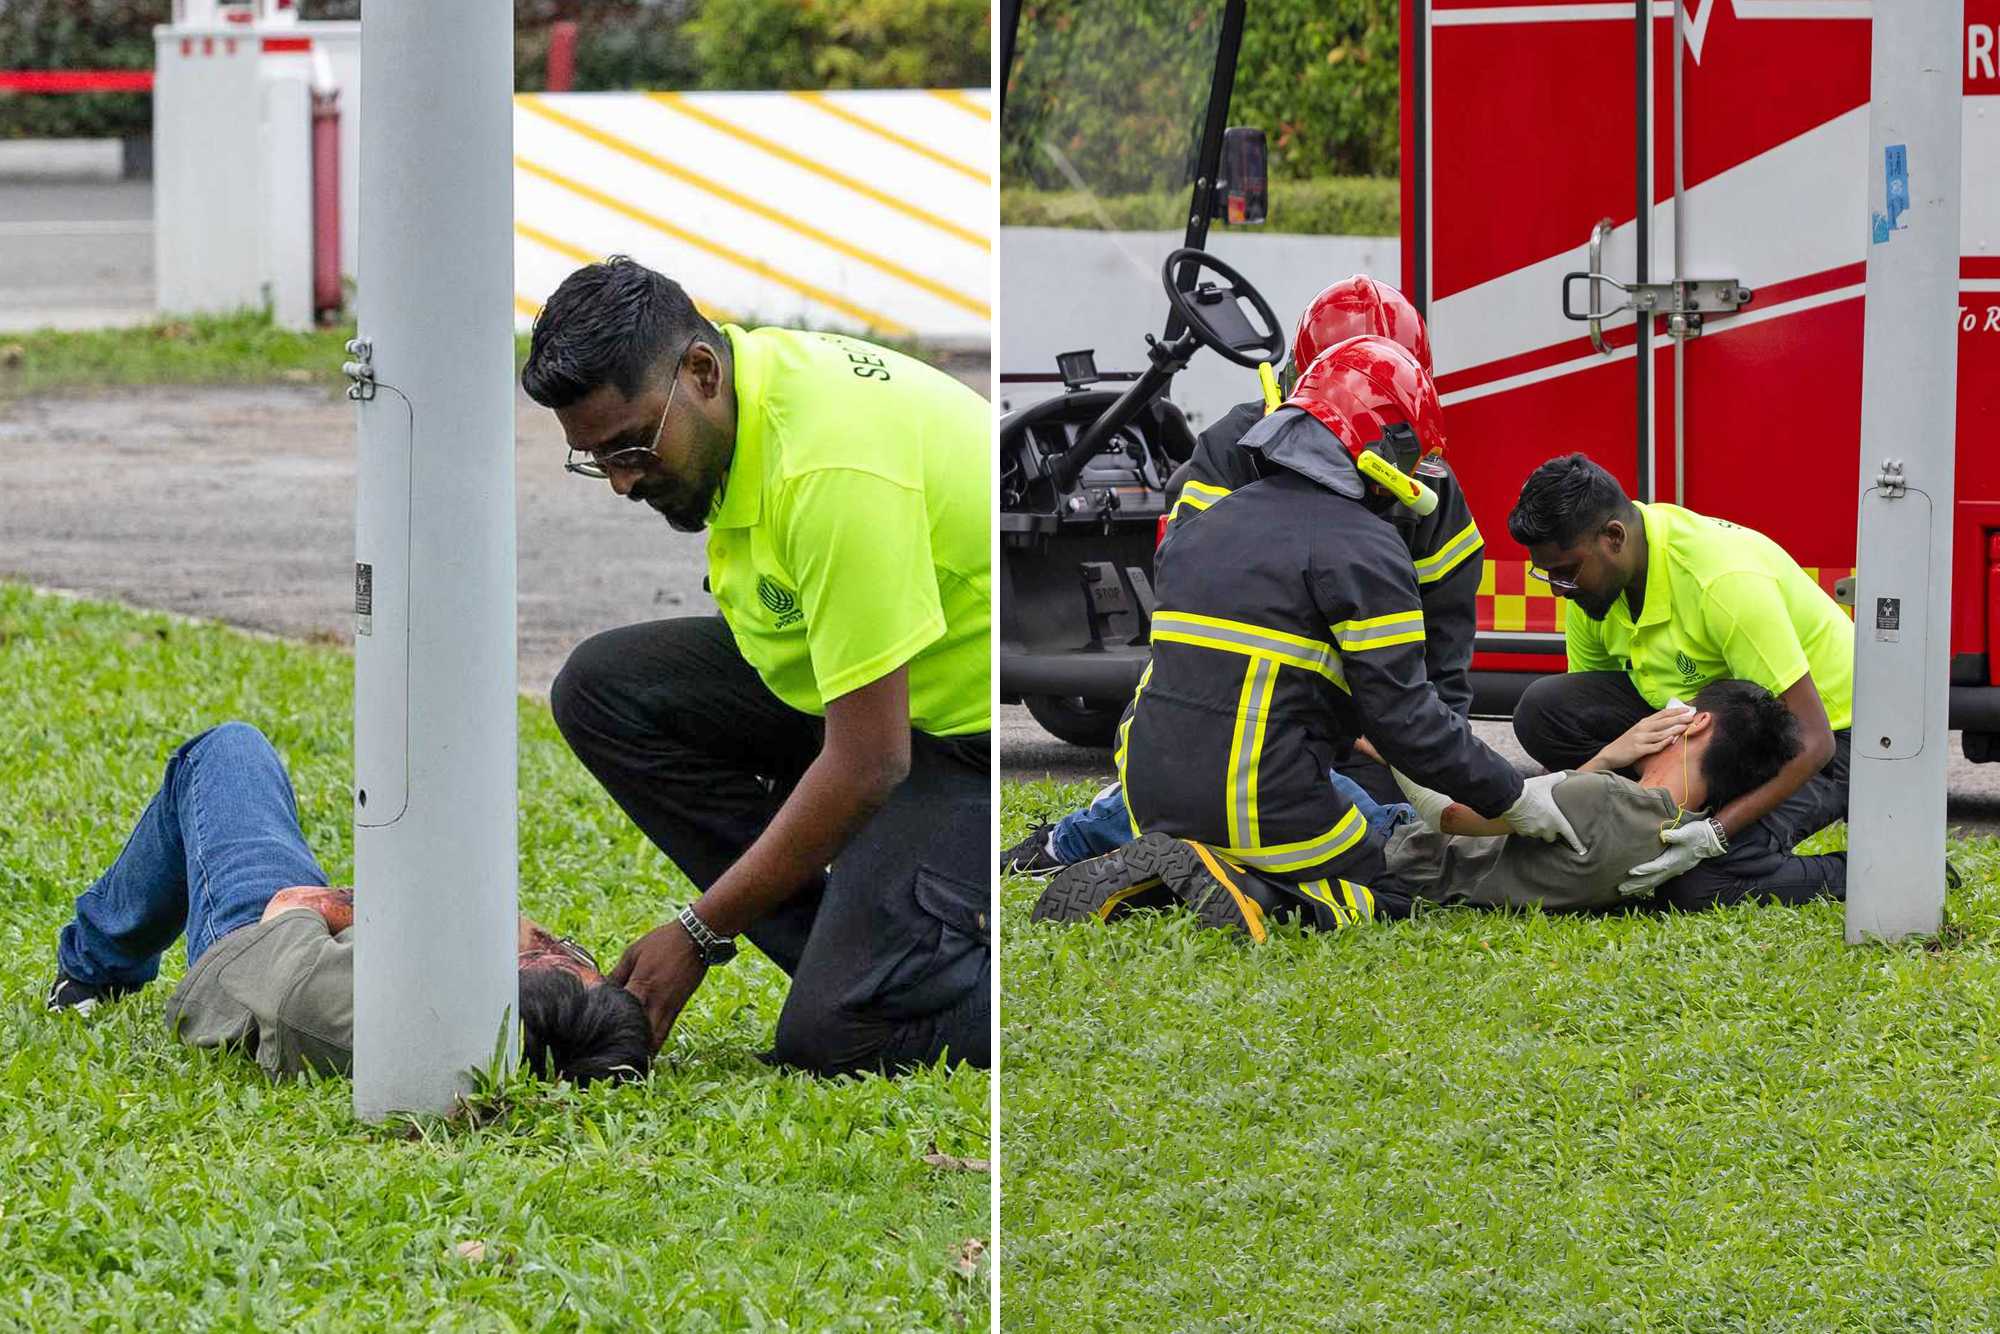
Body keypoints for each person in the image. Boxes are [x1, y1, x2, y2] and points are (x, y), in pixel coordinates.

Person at [522, 257, 989, 1077]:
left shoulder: (832, 467)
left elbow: (872, 760)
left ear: (700, 371)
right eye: (595, 458)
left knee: (834, 1039)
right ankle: (851, 948)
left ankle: (930, 975)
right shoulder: (744, 398)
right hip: (843, 688)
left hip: (950, 736)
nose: (622, 481)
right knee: (603, 691)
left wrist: (702, 930)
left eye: (631, 445)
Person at [1030, 337, 1584, 939]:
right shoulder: (1367, 549)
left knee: (1332, 806)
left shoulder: (1206, 523)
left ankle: (1172, 869)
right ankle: (1256, 890)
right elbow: (1407, 721)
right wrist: (1513, 797)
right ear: (1385, 452)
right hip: (1257, 802)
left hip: (1144, 789)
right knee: (1398, 886)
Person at [1003, 276, 1484, 875]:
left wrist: (1433, 753)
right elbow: (1192, 596)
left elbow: (1445, 635)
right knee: (1215, 782)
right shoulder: (1235, 446)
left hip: (1367, 721)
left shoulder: (1426, 485)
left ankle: (1188, 850)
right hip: (1237, 700)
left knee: (1392, 827)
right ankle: (1082, 838)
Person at [45, 723, 650, 1085]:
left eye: (548, 949)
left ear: (508, 980)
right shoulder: (519, 1027)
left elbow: (291, 905)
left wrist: (439, 908)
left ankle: (92, 968)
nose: (548, 936)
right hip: (323, 945)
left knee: (227, 753)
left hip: (249, 948)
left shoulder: (336, 998)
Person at [1505, 454, 1853, 909]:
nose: (1556, 588)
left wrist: (1713, 834)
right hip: (1713, 727)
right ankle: (1648, 827)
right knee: (1545, 710)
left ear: (1614, 537)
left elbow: (1815, 741)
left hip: (1828, 734)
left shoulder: (1721, 580)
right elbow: (1589, 713)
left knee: (1699, 882)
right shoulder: (1594, 589)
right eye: (1546, 573)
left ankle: (1871, 873)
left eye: (1565, 571)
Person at [1351, 680, 1803, 914]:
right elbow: (1552, 811)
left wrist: (1391, 740)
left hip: (1396, 846)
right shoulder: (1681, 841)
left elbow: (1449, 815)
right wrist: (1605, 757)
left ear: (1697, 723)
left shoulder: (1601, 795)